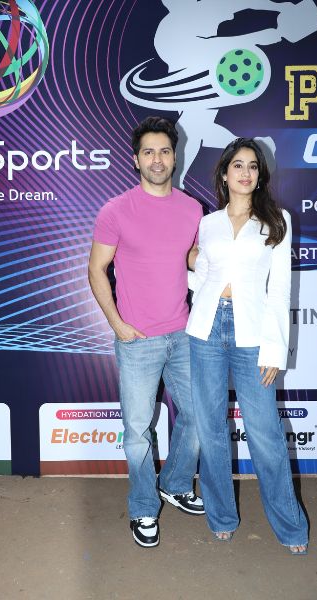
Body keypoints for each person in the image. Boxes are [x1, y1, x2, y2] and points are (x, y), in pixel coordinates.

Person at [186, 138, 309, 554]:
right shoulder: (208, 223)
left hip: (252, 334)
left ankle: (291, 527)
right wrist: (182, 271)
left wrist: (275, 350)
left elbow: (280, 290)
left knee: (266, 434)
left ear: (260, 175)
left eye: (252, 166)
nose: (245, 172)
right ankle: (221, 516)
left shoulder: (277, 221)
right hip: (205, 329)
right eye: (237, 165)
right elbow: (203, 275)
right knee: (210, 429)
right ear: (224, 174)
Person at [88, 116, 205, 548]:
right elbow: (96, 269)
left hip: (184, 335)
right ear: (136, 159)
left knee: (200, 416)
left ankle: (174, 484)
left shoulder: (192, 209)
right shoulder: (116, 210)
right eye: (149, 152)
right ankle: (142, 507)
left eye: (165, 151)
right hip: (137, 341)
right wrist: (118, 325)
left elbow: (190, 257)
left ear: (176, 157)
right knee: (137, 432)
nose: (157, 159)